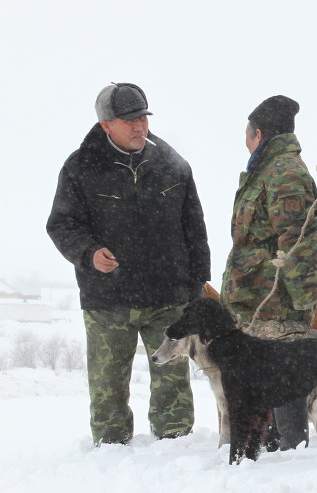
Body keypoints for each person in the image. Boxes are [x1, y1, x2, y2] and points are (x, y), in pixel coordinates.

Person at [47, 83, 208, 446]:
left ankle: (176, 447)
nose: (140, 127)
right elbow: (61, 224)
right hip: (108, 300)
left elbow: (194, 227)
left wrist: (197, 285)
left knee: (174, 387)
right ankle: (109, 453)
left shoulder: (171, 164)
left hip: (167, 296)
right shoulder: (80, 167)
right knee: (107, 387)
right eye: (129, 120)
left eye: (143, 118)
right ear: (106, 124)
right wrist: (88, 252)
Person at [222, 94, 317, 450]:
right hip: (259, 300)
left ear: (258, 133)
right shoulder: (268, 170)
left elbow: (298, 244)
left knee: (284, 375)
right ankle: (273, 446)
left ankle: (291, 451)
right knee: (266, 375)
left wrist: (300, 301)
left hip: (278, 301)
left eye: (246, 133)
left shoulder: (284, 174)